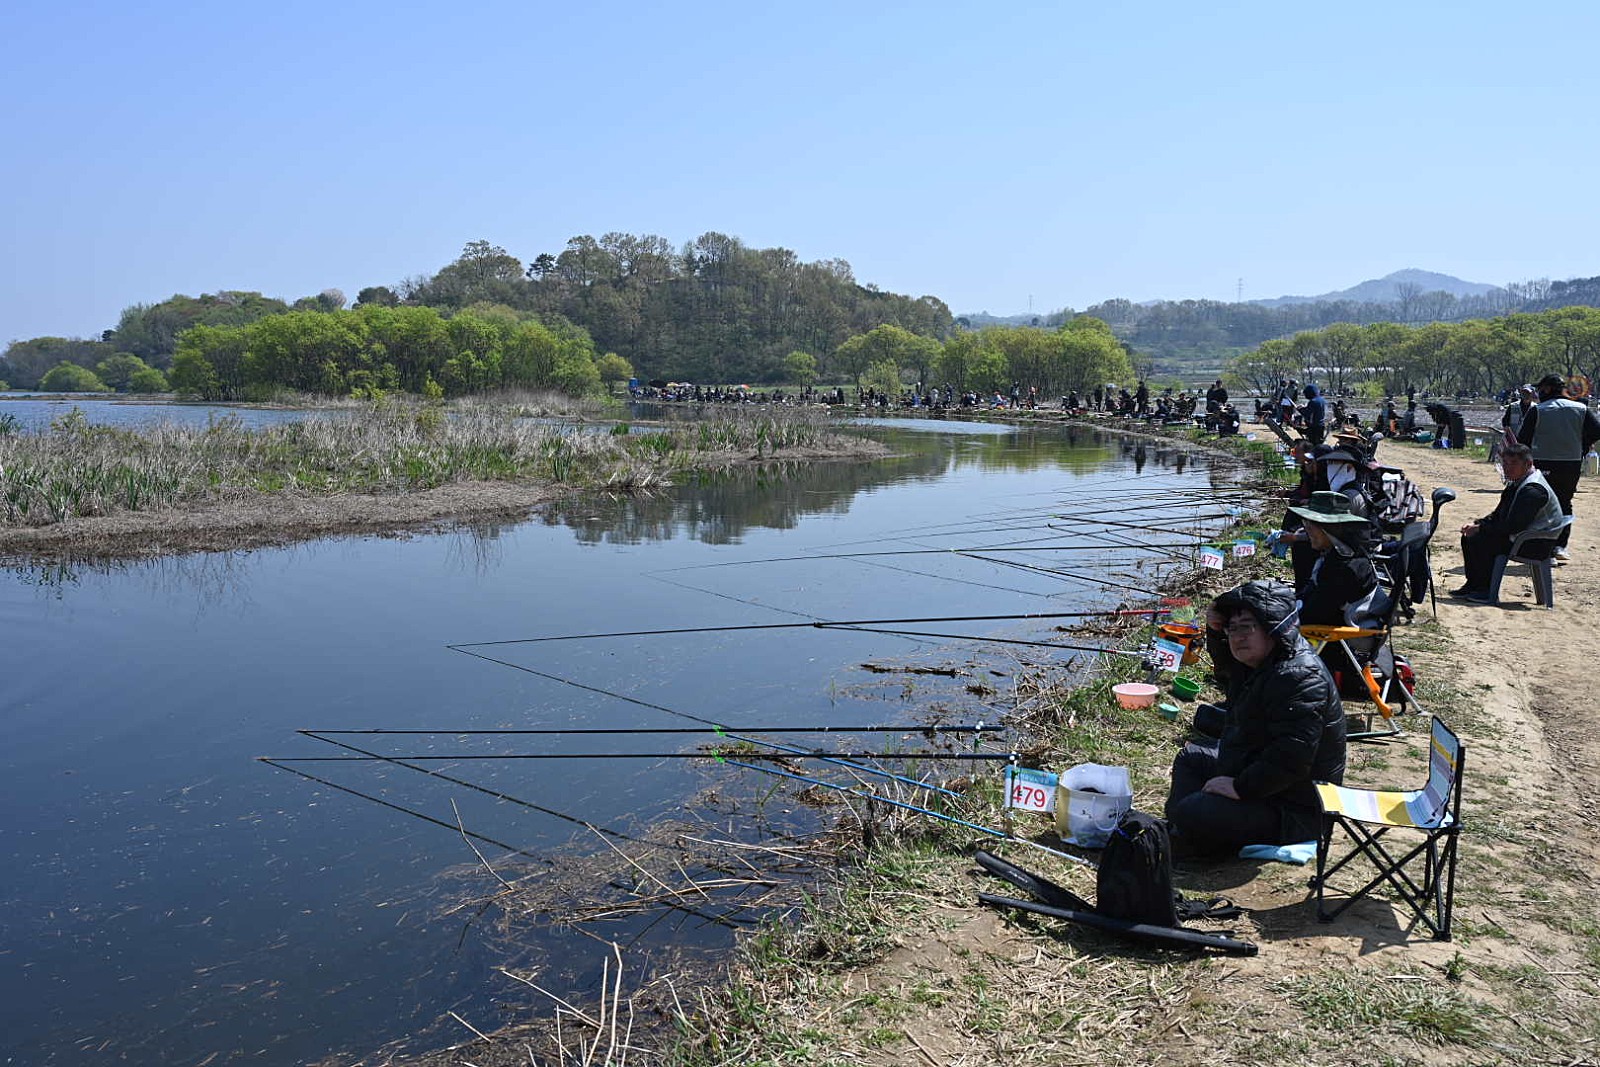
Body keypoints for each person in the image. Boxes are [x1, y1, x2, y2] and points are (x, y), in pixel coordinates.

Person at [1167, 580, 1346, 856]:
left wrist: (1240, 787)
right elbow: (1225, 668)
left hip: (1295, 808)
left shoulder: (1298, 676)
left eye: (1247, 627)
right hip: (1263, 780)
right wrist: (1215, 630)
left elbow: (1291, 758)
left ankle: (1191, 834)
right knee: (1191, 758)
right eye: (1232, 628)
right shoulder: (1261, 660)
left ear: (1275, 627)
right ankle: (1181, 834)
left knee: (1194, 811)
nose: (1237, 637)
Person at [1454, 443, 1566, 602]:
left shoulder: (1533, 490)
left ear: (1528, 464)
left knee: (1482, 540)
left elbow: (1513, 526)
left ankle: (1486, 591)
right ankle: (1474, 585)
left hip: (1536, 543)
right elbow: (1500, 514)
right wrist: (1479, 524)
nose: (1507, 468)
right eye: (1505, 463)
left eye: (1514, 463)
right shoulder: (1517, 482)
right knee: (1470, 536)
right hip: (1522, 535)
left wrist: (1481, 529)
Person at [1516, 373, 1600, 561]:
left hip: (1542, 462)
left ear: (1547, 389)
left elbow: (1523, 440)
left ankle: (1543, 550)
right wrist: (1582, 446)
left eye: (1540, 389)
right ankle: (1560, 547)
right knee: (1564, 502)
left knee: (1540, 504)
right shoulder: (1581, 408)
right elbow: (1596, 432)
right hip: (1571, 463)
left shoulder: (1538, 410)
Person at [1285, 492, 1381, 628]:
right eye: (1305, 523)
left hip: (1339, 633)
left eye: (1311, 525)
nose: (1307, 530)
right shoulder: (1337, 555)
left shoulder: (1344, 568)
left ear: (1331, 529)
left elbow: (1316, 614)